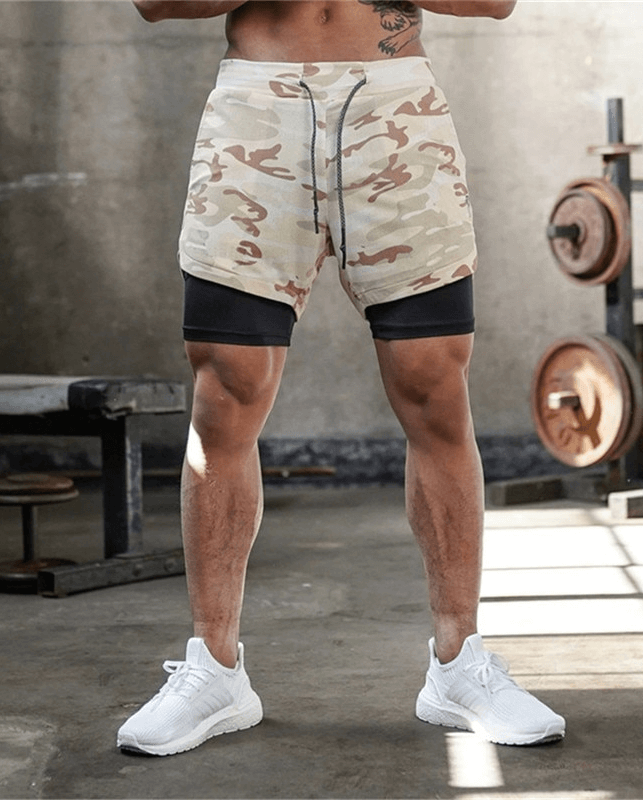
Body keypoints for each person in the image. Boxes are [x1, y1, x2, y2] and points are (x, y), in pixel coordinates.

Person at [118, 0, 565, 756]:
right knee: (226, 391)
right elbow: (155, 3)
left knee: (433, 385)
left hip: (395, 103)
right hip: (256, 105)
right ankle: (214, 668)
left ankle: (459, 664)